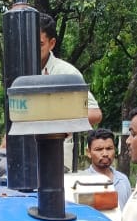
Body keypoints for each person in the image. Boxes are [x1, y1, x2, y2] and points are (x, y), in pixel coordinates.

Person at [39, 13, 102, 170]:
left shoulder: (66, 74)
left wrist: (56, 126)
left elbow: (95, 113)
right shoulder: (19, 74)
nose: (32, 49)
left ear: (52, 43)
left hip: (58, 158)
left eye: (39, 44)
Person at [83, 128, 131, 209]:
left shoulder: (123, 180)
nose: (105, 154)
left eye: (109, 148)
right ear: (89, 152)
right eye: (99, 149)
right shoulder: (82, 181)